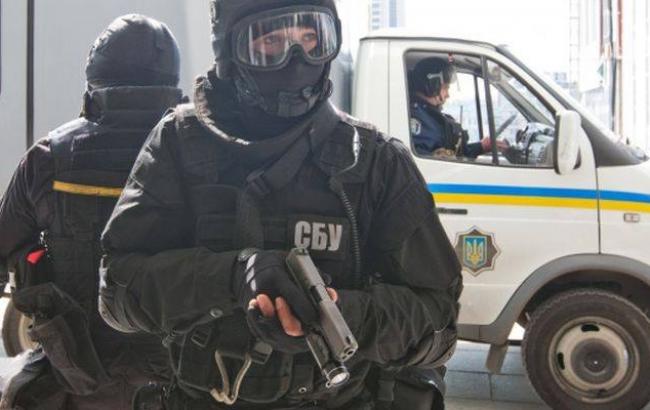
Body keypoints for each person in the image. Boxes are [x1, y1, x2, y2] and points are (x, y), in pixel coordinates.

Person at [99, 1, 462, 409]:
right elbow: (116, 293)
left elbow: (440, 324)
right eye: (271, 41)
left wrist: (343, 316)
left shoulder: (374, 161)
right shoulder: (179, 142)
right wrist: (233, 277)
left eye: (311, 38)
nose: (297, 59)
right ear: (230, 51)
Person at [0, 14, 183, 409]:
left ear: (95, 75)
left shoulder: (49, 157)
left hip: (78, 376)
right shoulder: (204, 155)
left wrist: (31, 268)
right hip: (180, 381)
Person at [409, 57, 506, 159]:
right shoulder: (416, 120)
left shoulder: (428, 116)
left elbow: (454, 154)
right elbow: (422, 161)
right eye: (446, 88)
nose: (448, 95)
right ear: (432, 86)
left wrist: (481, 146)